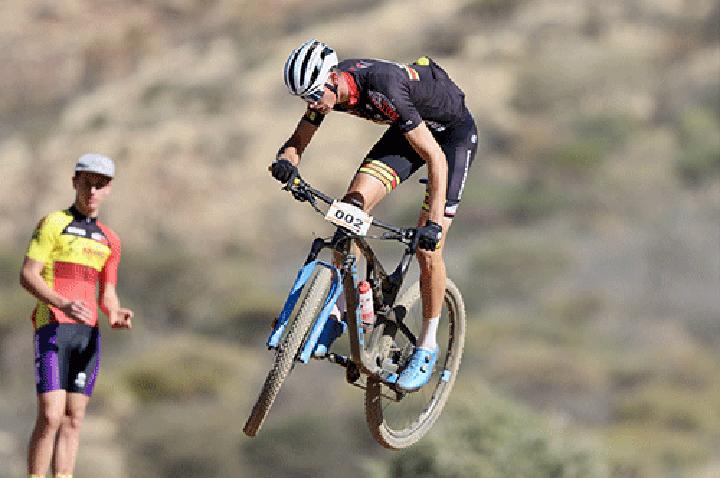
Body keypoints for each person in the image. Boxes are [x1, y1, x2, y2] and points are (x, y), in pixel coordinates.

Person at [270, 39, 478, 392]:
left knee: (429, 250)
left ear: (332, 78)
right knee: (348, 212)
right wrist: (286, 163)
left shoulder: (384, 87)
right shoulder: (327, 91)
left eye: (315, 95)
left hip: (449, 141)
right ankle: (344, 306)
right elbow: (297, 140)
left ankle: (427, 345)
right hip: (408, 131)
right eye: (305, 98)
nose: (313, 104)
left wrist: (431, 225)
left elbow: (435, 158)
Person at [20, 154, 133, 478]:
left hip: (87, 335)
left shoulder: (111, 240)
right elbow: (28, 275)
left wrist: (114, 313)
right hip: (53, 328)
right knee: (51, 414)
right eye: (87, 183)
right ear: (75, 182)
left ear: (109, 189)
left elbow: (107, 293)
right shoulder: (53, 223)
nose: (93, 191)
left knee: (74, 418)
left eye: (100, 185)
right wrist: (62, 303)